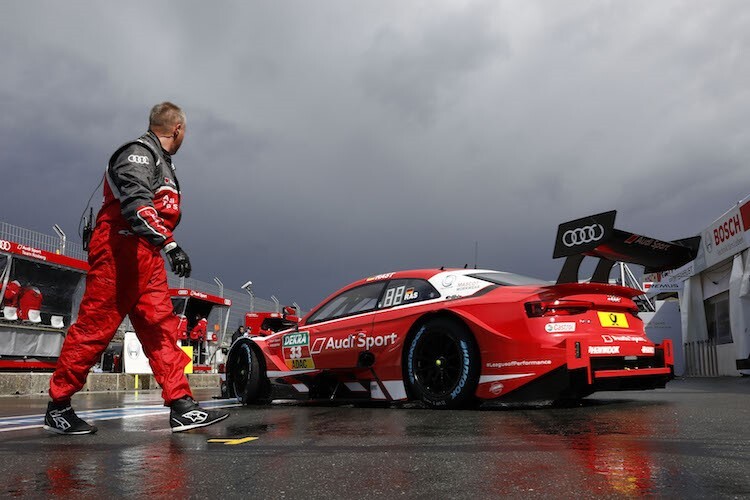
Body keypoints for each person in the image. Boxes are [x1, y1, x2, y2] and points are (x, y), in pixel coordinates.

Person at [44, 102, 229, 435]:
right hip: (119, 251)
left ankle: (181, 405)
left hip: (148, 256)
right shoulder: (138, 154)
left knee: (162, 329)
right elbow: (136, 204)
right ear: (178, 130)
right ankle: (58, 406)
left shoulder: (164, 164)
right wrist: (170, 244)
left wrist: (161, 245)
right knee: (94, 330)